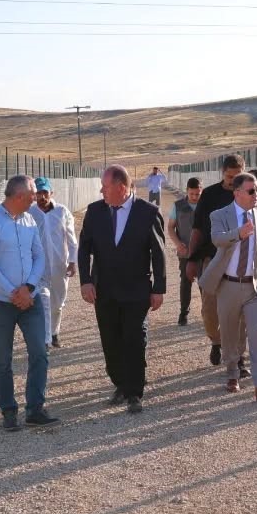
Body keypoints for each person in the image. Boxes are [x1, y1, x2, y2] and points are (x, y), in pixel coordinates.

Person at [78, 164, 167, 412]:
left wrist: (158, 288)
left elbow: (158, 253)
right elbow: (84, 249)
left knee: (134, 338)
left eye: (105, 186)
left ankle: (134, 392)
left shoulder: (148, 212)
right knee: (110, 340)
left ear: (121, 187)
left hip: (136, 290)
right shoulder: (95, 211)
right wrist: (85, 281)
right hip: (104, 289)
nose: (101, 191)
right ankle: (120, 383)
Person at [0, 175, 58, 431]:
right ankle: (8, 411)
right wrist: (14, 293)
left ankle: (35, 409)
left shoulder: (29, 219)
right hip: (0, 302)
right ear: (20, 196)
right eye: (33, 195)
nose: (36, 199)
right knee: (3, 359)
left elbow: (39, 256)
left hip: (30, 299)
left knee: (40, 352)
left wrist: (29, 288)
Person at [200, 172, 257, 401]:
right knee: (229, 332)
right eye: (251, 191)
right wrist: (238, 234)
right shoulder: (219, 215)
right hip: (228, 285)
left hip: (256, 286)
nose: (256, 195)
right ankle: (232, 372)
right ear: (237, 193)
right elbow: (217, 239)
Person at [185, 154, 245, 368]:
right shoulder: (210, 195)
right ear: (222, 173)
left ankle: (238, 356)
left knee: (240, 311)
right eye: (229, 177)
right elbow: (197, 230)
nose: (233, 181)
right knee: (209, 310)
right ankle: (217, 341)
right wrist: (191, 260)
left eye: (237, 176)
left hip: (241, 260)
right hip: (213, 259)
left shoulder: (249, 194)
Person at [31, 176, 78, 348]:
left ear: (51, 193)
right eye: (38, 193)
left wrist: (72, 261)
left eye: (45, 192)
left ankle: (54, 332)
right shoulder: (30, 213)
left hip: (59, 265)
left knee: (57, 304)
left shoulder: (62, 212)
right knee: (43, 300)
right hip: (38, 267)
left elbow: (71, 239)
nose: (42, 197)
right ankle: (45, 339)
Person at [167, 177, 202, 325]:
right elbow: (170, 227)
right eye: (192, 193)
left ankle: (207, 313)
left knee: (204, 282)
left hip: (203, 251)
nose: (194, 197)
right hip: (185, 251)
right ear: (187, 191)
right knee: (186, 281)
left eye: (197, 194)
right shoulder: (178, 206)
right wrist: (178, 244)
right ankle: (183, 313)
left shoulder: (206, 205)